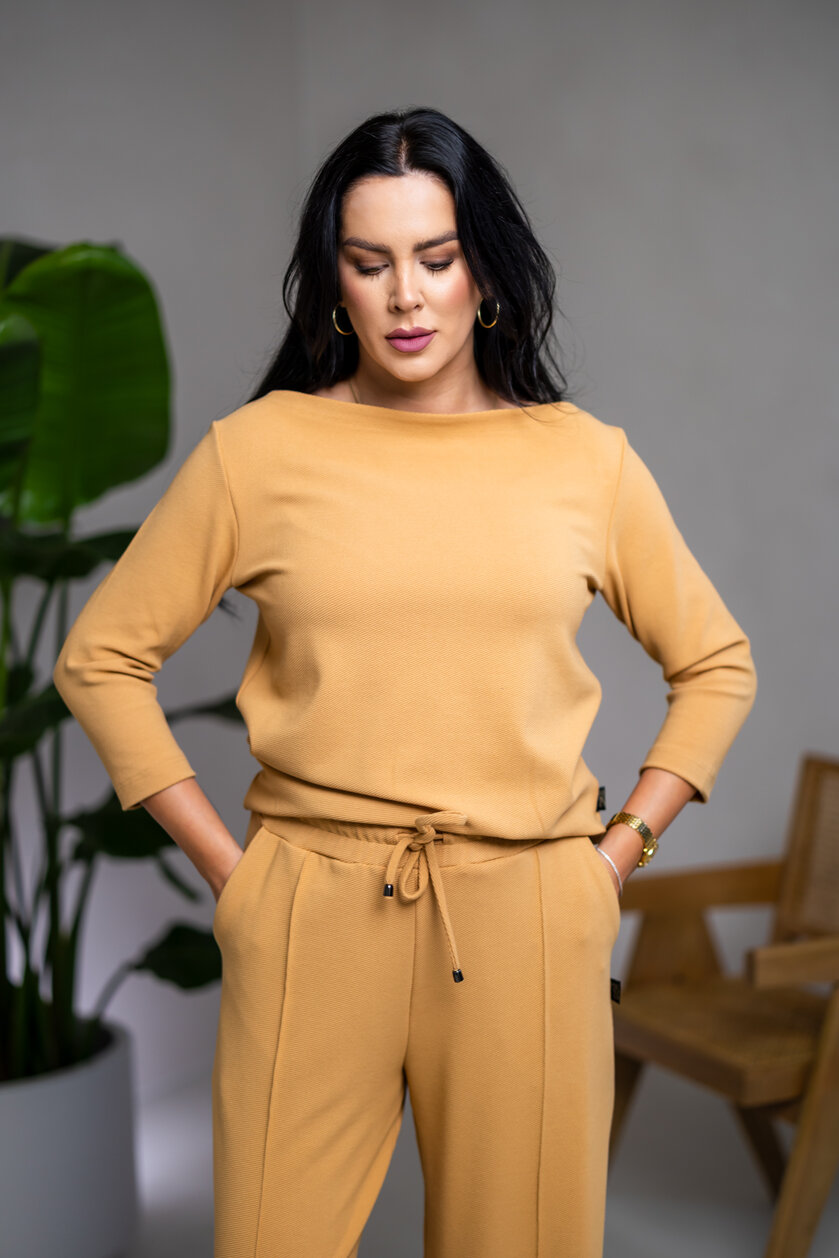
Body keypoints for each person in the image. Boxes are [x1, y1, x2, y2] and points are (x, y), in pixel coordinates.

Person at [52, 105, 758, 1258]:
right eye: (369, 262)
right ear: (334, 281)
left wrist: (616, 852)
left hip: (528, 912)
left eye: (435, 257)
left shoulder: (582, 460)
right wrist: (235, 877)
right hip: (312, 904)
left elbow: (715, 663)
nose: (405, 296)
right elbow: (101, 658)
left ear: (484, 270)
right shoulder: (258, 451)